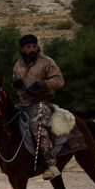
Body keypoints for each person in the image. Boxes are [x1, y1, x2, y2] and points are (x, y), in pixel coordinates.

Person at [11, 34, 64, 179]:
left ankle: (49, 165)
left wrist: (42, 85)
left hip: (43, 102)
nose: (32, 49)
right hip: (24, 103)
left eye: (34, 46)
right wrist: (16, 83)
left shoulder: (46, 62)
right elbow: (15, 79)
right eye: (28, 47)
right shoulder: (18, 65)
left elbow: (59, 81)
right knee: (5, 119)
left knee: (37, 126)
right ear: (22, 49)